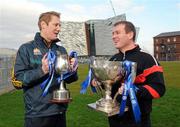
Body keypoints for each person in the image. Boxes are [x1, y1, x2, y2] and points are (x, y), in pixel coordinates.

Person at [92, 21, 165, 127]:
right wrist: (100, 82)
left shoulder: (147, 58)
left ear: (130, 35)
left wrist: (134, 89)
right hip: (114, 118)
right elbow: (110, 85)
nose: (113, 36)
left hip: (137, 120)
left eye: (117, 33)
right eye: (113, 34)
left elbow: (159, 89)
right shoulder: (113, 59)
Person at [11, 11, 78, 127]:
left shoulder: (61, 50)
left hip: (59, 111)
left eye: (60, 25)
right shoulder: (26, 49)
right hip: (37, 115)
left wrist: (72, 71)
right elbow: (17, 81)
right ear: (43, 25)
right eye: (56, 25)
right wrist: (42, 71)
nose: (59, 28)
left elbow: (69, 80)